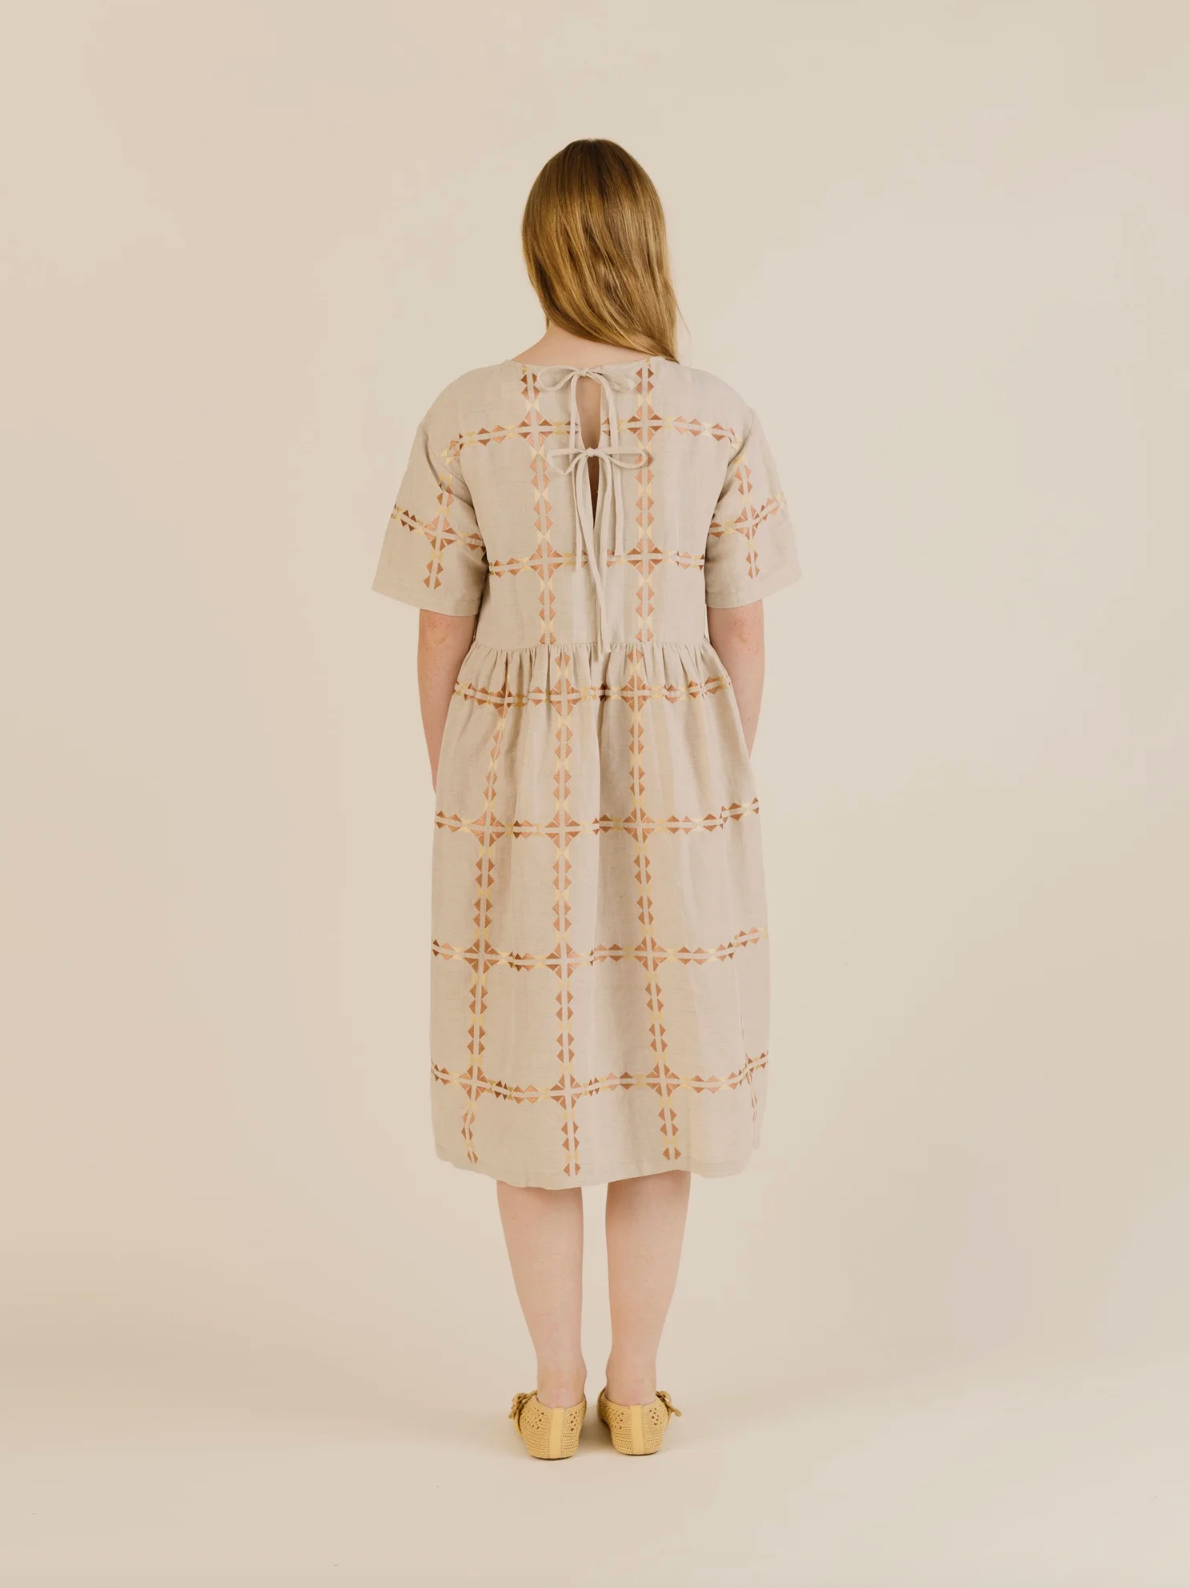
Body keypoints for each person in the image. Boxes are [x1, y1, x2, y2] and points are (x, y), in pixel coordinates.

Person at [373, 138, 800, 1459]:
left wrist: (463, 788)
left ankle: (551, 1397)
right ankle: (635, 1391)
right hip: (681, 774)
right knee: (660, 1082)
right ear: (645, 247)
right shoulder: (717, 411)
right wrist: (711, 781)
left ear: (539, 247)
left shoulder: (463, 411)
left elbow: (439, 637)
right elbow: (740, 639)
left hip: (510, 778)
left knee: (533, 1083)